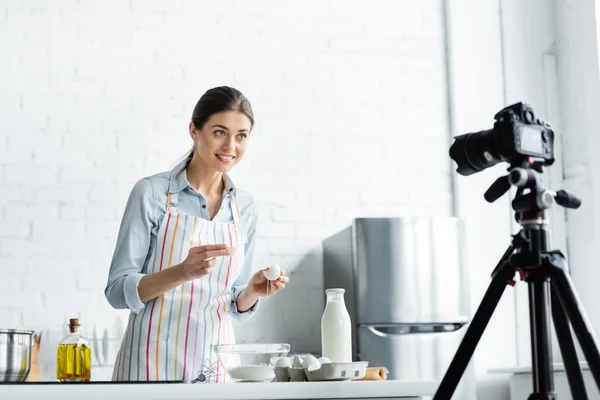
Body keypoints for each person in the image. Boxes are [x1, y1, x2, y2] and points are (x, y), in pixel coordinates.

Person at [104, 86, 289, 383]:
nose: (230, 145)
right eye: (219, 132)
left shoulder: (246, 208)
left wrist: (252, 292)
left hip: (216, 368)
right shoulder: (152, 193)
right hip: (151, 366)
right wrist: (181, 272)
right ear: (194, 130)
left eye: (241, 135)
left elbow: (233, 304)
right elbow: (116, 291)